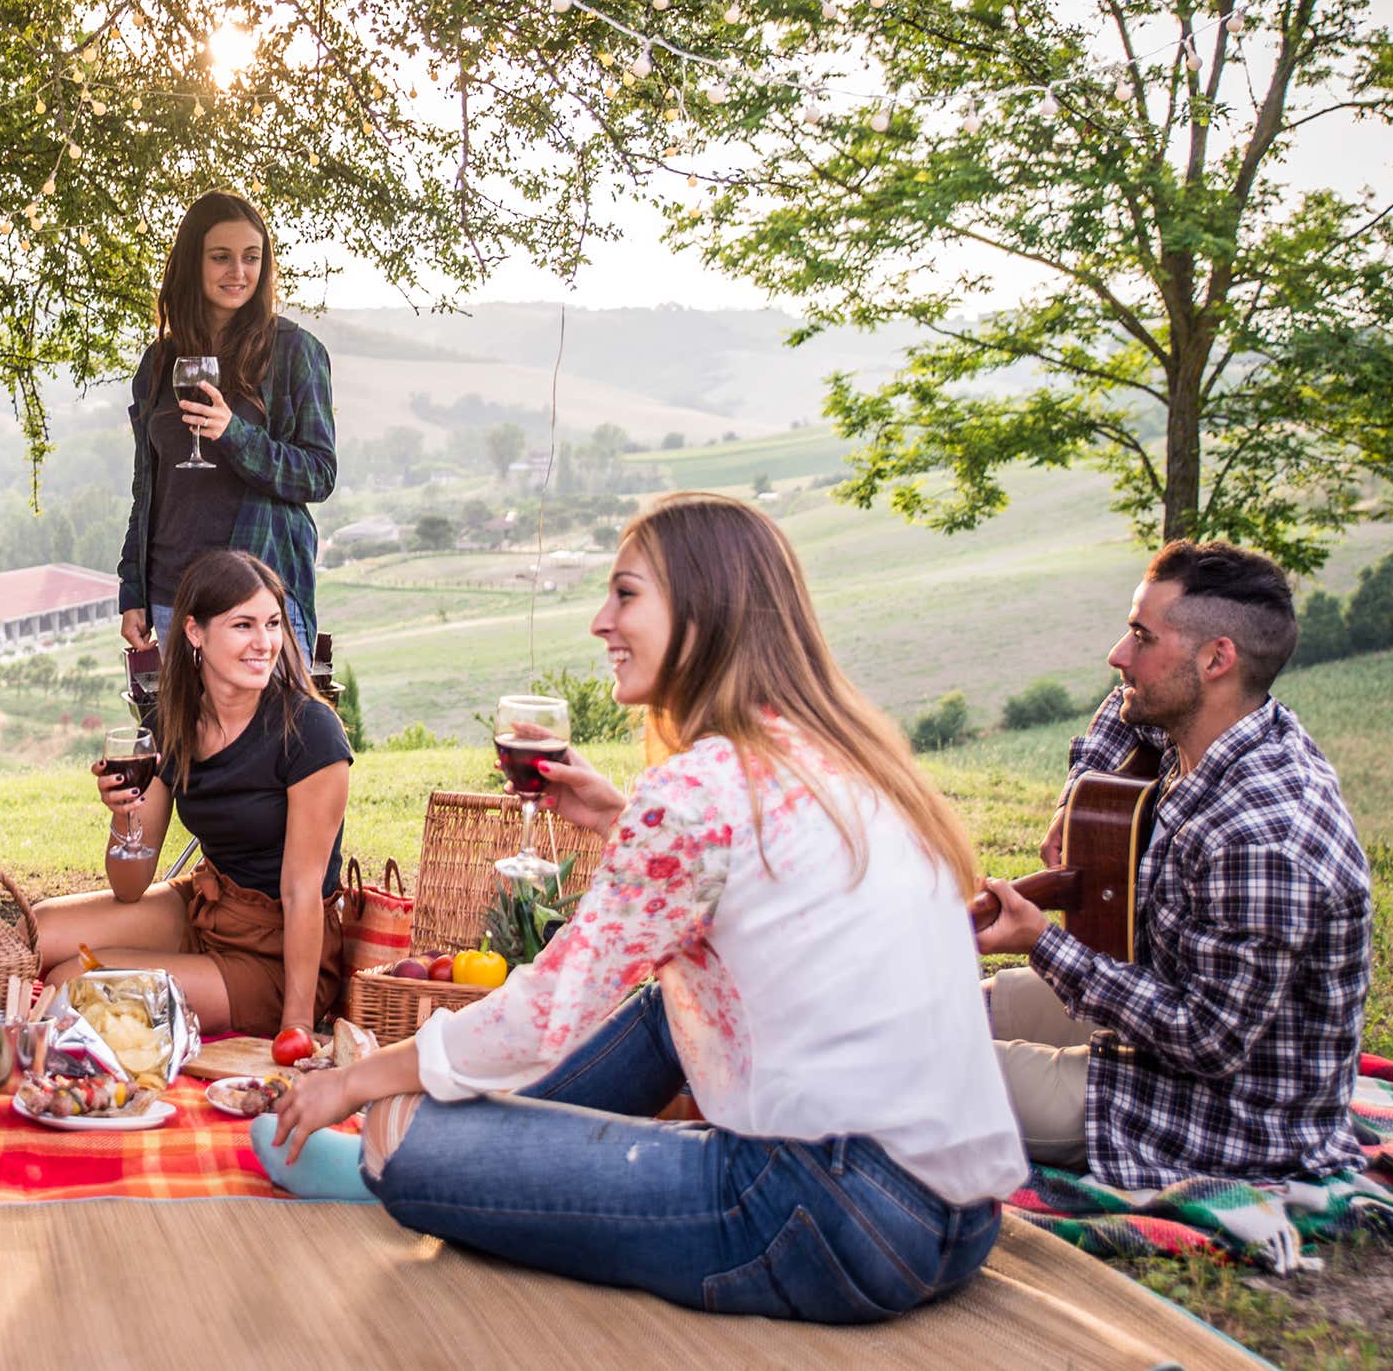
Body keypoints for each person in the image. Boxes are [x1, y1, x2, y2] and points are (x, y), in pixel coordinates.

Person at [266, 492, 1023, 1324]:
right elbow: (741, 903)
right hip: (951, 1222)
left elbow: (551, 1005)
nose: (601, 621)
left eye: (626, 594)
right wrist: (621, 821)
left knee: (408, 1148)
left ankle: (421, 1147)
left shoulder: (700, 789)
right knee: (673, 1004)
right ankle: (490, 1139)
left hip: (823, 1218)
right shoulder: (840, 763)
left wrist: (357, 1082)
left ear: (705, 608)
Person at [975, 541, 1370, 1186]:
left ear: (1216, 659)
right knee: (951, 1009)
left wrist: (1041, 942)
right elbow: (1121, 712)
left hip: (1217, 1113)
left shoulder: (1265, 839)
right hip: (1151, 1017)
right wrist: (1078, 797)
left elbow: (1205, 1040)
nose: (1117, 655)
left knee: (917, 1063)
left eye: (1141, 637)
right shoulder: (1213, 717)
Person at [32, 549, 350, 1040]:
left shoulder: (311, 731)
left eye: (272, 624)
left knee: (73, 983)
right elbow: (129, 886)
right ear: (195, 632)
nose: (264, 643)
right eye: (243, 625)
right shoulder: (172, 723)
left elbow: (302, 892)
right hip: (206, 912)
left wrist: (297, 1027)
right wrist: (125, 814)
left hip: (277, 951)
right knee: (37, 931)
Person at [116, 191, 336, 661]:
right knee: (185, 717)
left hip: (259, 597)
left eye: (251, 258)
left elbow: (319, 475)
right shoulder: (159, 362)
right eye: (221, 257)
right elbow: (147, 488)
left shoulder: (295, 353)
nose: (238, 272)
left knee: (273, 715)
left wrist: (234, 434)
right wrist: (132, 589)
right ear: (192, 263)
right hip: (174, 599)